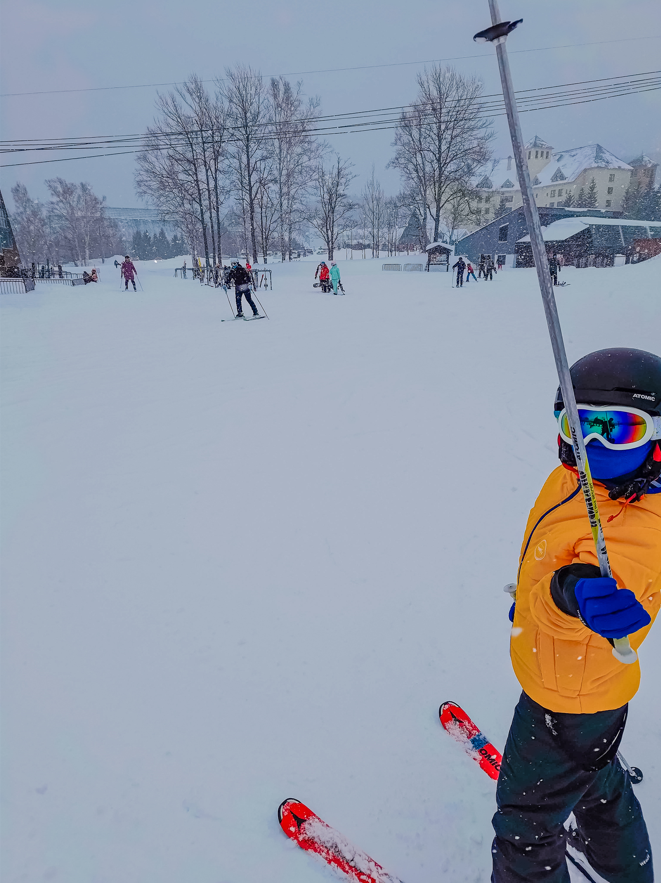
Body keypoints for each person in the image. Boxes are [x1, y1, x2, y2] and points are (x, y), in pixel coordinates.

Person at [492, 347, 661, 883]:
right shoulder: (579, 477)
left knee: (526, 823)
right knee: (592, 772)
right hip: (592, 695)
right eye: (578, 423)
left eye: (618, 429)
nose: (592, 444)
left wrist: (570, 593)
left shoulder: (640, 532)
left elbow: (604, 588)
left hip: (564, 695)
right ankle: (623, 863)